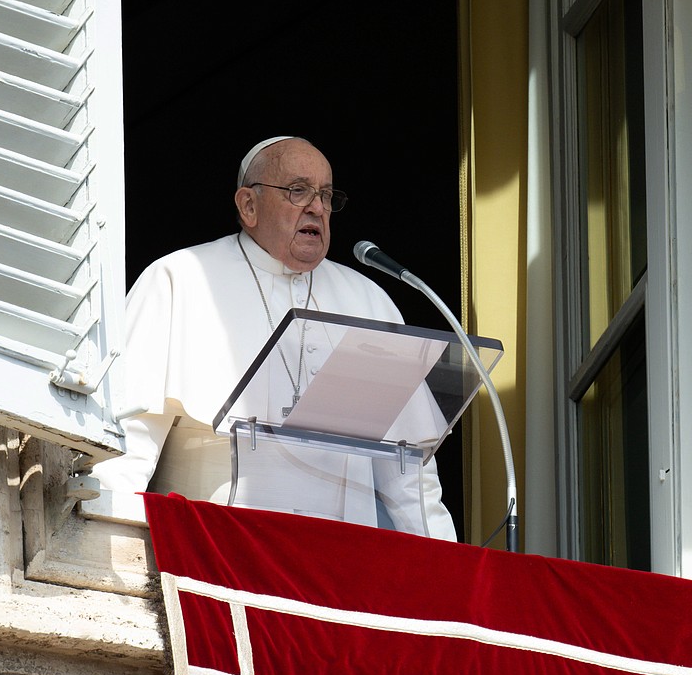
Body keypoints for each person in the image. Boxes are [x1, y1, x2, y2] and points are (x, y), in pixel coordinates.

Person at [90, 136, 457, 541]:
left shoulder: (369, 301)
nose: (316, 207)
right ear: (248, 205)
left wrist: (445, 564)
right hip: (217, 553)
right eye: (298, 191)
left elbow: (409, 470)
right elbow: (131, 439)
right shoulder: (180, 278)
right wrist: (104, 536)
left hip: (343, 564)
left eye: (326, 195)